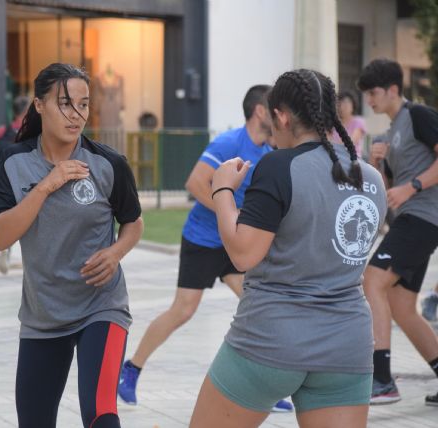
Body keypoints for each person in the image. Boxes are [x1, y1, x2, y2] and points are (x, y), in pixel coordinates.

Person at [189, 69, 387, 428]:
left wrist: (222, 191)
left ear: (280, 116)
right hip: (347, 347)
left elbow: (243, 254)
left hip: (272, 341)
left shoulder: (280, 166)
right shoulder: (371, 178)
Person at [118, 85, 293, 412]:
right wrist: (229, 212)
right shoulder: (228, 143)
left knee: (259, 306)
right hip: (202, 238)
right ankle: (132, 368)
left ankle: (267, 387)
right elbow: (196, 184)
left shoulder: (269, 154)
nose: (280, 115)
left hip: (233, 243)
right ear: (259, 111)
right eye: (274, 108)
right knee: (182, 310)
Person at [0, 63, 143, 428]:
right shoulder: (14, 162)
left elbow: (134, 223)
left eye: (84, 105)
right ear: (39, 105)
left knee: (101, 416)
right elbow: (0, 237)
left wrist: (116, 251)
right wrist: (46, 185)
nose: (77, 115)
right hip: (43, 316)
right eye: (65, 104)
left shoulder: (108, 163)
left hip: (101, 306)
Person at [357, 59, 438, 407]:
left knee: (372, 281)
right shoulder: (388, 135)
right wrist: (377, 164)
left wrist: (413, 187)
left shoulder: (419, 116)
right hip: (410, 218)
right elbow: (388, 189)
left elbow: (408, 186)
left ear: (392, 89)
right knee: (402, 305)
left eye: (373, 93)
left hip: (425, 216)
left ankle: (381, 380)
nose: (369, 101)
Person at [0, 95, 31, 274]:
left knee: (4, 220)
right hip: (20, 185)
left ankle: (5, 249)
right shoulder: (28, 133)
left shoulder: (3, 131)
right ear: (27, 111)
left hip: (1, 185)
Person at [332, 91, 366, 159]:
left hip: (354, 160)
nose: (343, 107)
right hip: (336, 160)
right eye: (340, 104)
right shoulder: (334, 124)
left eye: (346, 103)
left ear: (353, 105)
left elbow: (350, 143)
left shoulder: (358, 121)